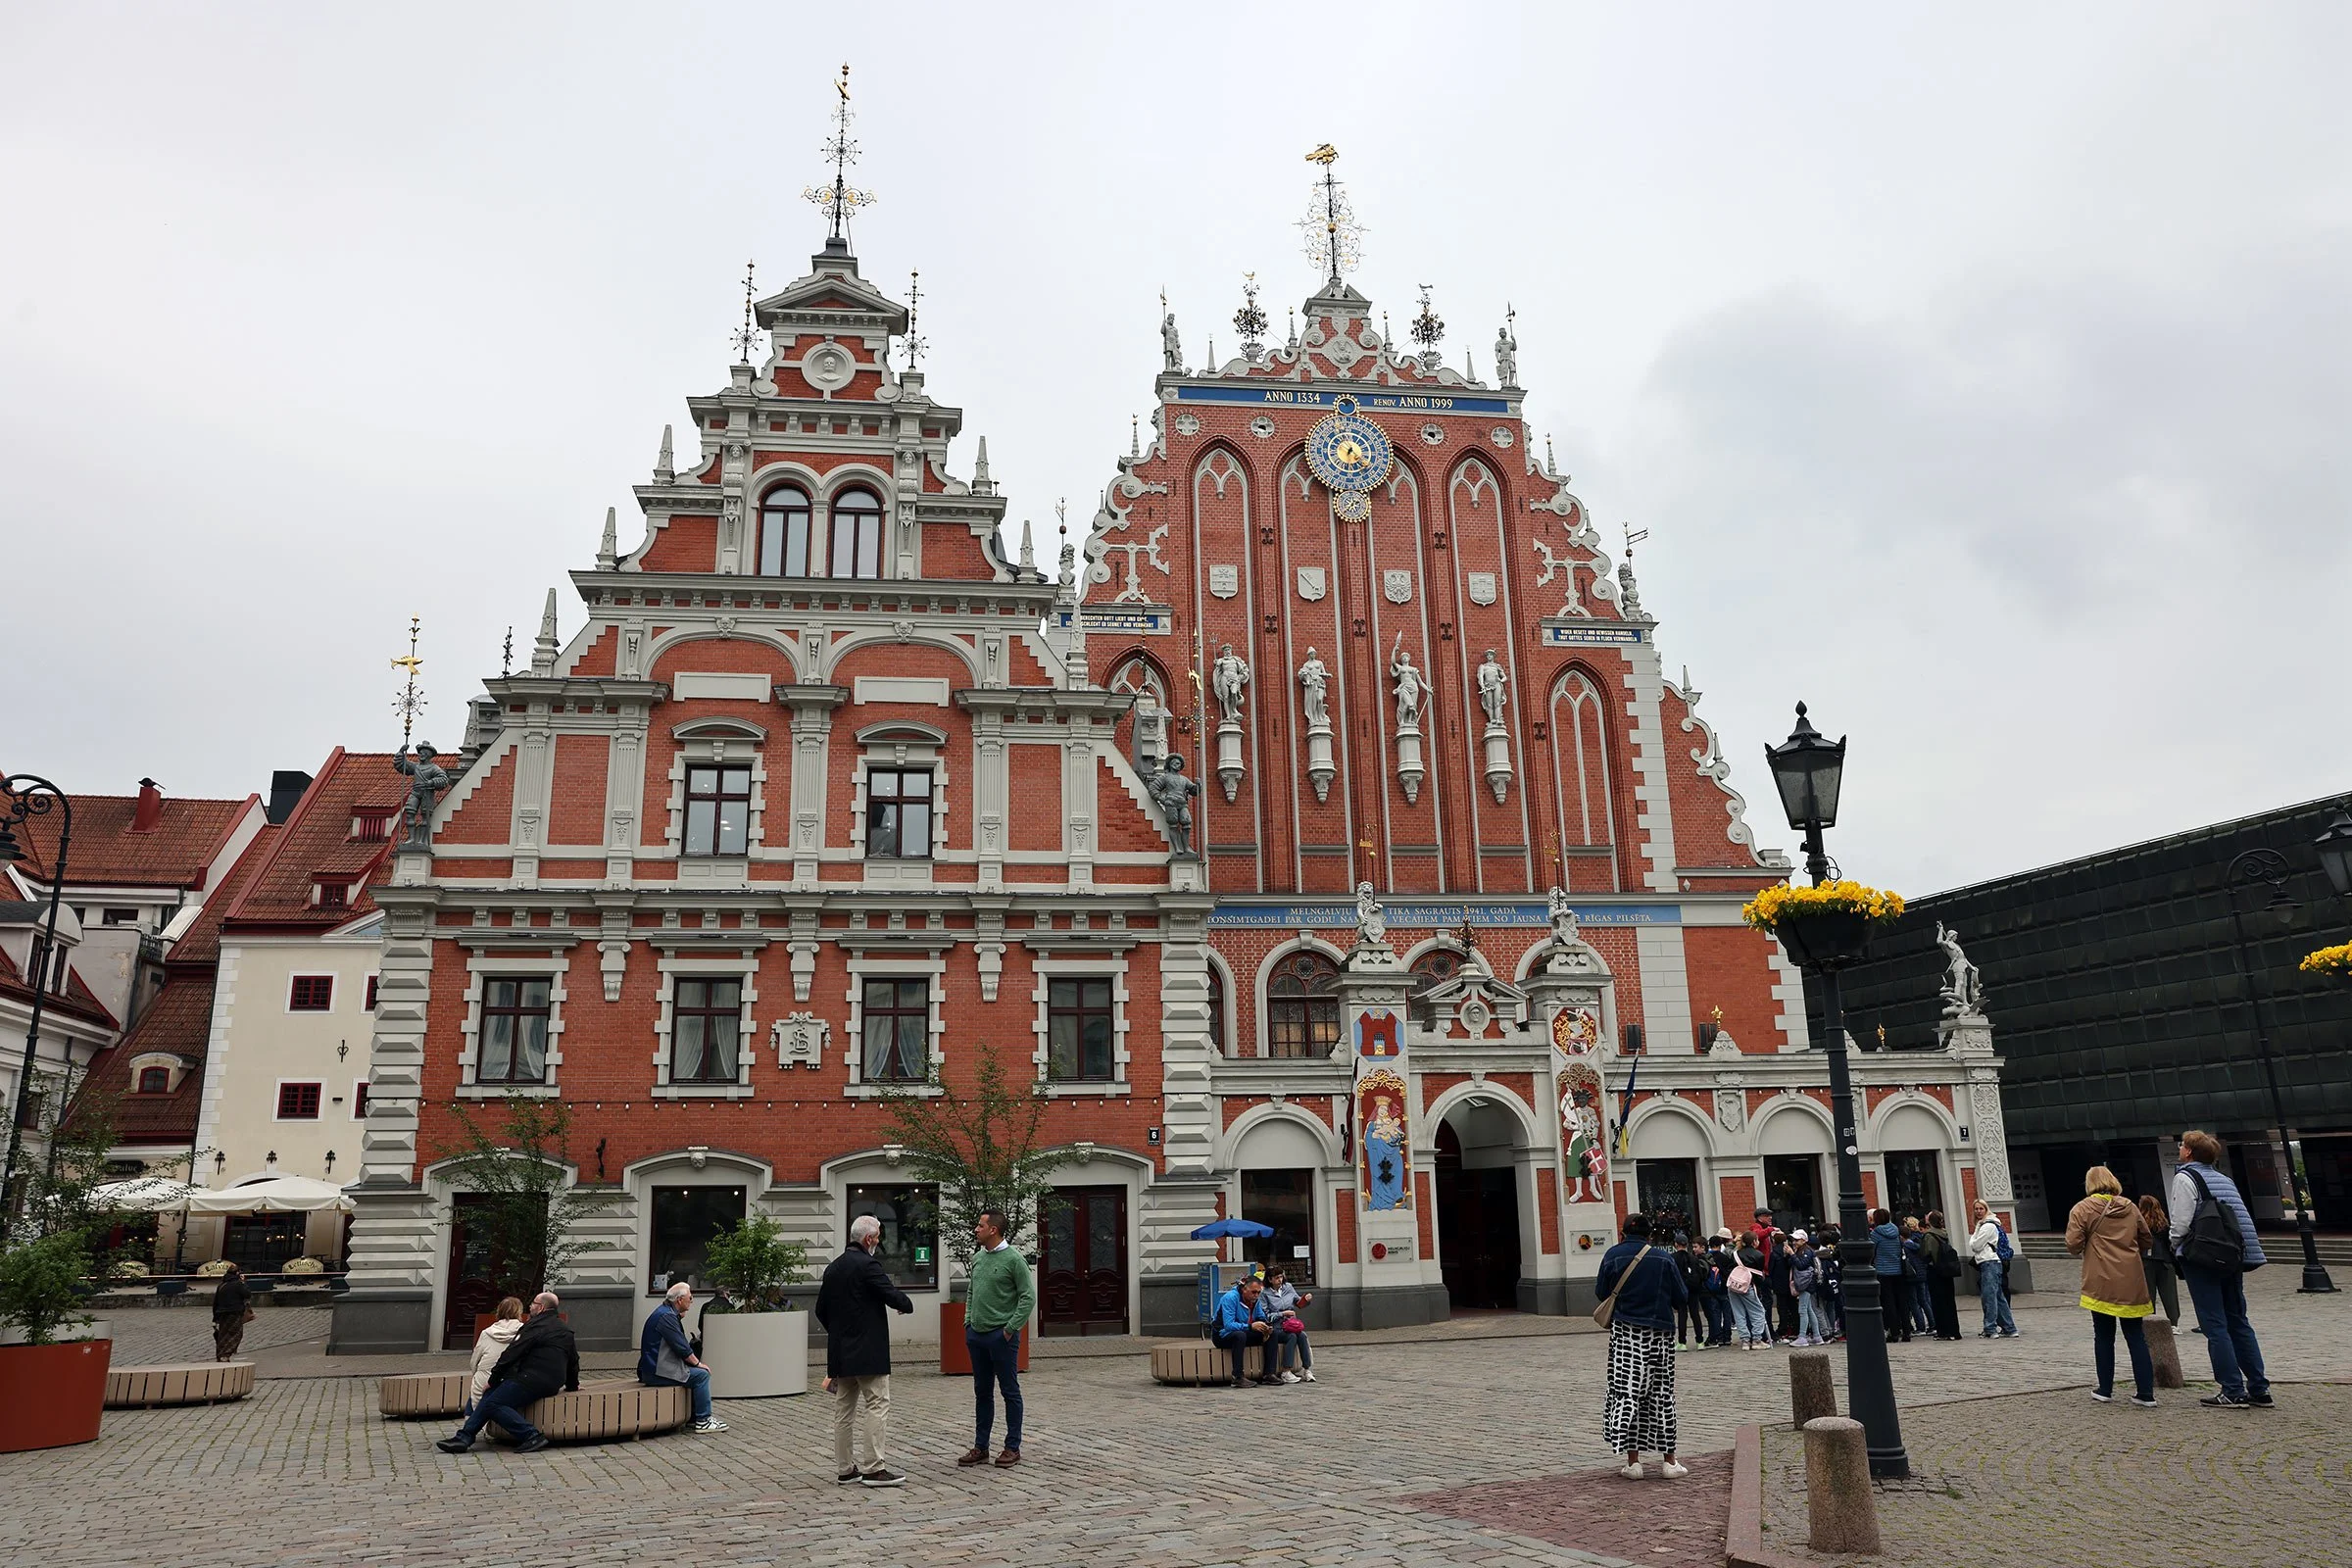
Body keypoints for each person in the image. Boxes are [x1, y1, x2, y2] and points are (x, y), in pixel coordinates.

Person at [2167, 1129, 2271, 1410]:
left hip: (2204, 1257)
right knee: (2238, 1319)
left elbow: (2181, 1222)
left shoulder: (2185, 1177)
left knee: (2214, 1323)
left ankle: (2232, 1389)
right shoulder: (2223, 1179)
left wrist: (2177, 1246)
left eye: (2181, 1145)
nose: (2179, 1149)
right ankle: (2259, 1388)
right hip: (2232, 1256)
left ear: (2189, 1152)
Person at [816, 1214, 917, 1485]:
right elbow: (890, 1293)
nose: (878, 1242)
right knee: (877, 1404)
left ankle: (845, 1469)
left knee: (844, 1411)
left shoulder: (833, 1268)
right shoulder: (868, 1264)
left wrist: (840, 1333)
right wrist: (905, 1304)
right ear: (869, 1239)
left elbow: (821, 1310)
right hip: (868, 1351)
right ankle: (874, 1468)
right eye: (878, 1237)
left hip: (840, 1351)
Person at [1594, 1213, 1690, 1479]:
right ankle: (1669, 1461)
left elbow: (1602, 1292)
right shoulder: (1663, 1257)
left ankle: (1633, 1462)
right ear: (1650, 1235)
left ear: (1622, 1232)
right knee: (1662, 1394)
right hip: (1660, 1333)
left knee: (1628, 1392)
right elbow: (1681, 1296)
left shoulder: (1613, 1255)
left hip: (1626, 1333)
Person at [436, 1291, 577, 1453]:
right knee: (489, 1395)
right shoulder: (565, 1329)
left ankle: (531, 1435)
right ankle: (464, 1437)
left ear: (541, 1307)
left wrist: (493, 1379)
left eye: (533, 1304)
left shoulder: (534, 1327)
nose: (530, 1306)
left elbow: (511, 1354)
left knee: (493, 1403)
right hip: (552, 1382)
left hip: (530, 1379)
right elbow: (573, 1360)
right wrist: (573, 1385)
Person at [2066, 1166, 2157, 1406]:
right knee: (2136, 1336)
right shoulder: (2130, 1206)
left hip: (2100, 1279)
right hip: (2131, 1279)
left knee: (2104, 1336)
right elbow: (2147, 1238)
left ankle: (2105, 1389)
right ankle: (2146, 1392)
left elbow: (2073, 1244)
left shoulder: (2082, 1208)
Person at [959, 1208, 1036, 1468]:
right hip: (977, 1335)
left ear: (993, 1230)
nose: (976, 1230)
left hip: (1001, 1336)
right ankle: (981, 1447)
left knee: (1009, 1391)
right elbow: (972, 1291)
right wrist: (968, 1321)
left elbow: (1028, 1296)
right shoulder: (979, 1257)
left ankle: (1012, 1447)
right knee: (982, 1392)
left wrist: (1010, 1328)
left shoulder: (1014, 1259)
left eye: (980, 1226)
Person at [638, 1280, 728, 1435]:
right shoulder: (667, 1317)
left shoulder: (665, 1313)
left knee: (695, 1373)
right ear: (679, 1300)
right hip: (658, 1371)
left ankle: (694, 1417)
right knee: (701, 1375)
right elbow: (682, 1348)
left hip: (652, 1368)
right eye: (690, 1298)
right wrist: (698, 1363)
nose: (692, 1301)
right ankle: (703, 1420)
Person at [1211, 1273, 1276, 1386]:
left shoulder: (1255, 1300)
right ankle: (1237, 1376)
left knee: (1273, 1334)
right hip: (1222, 1335)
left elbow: (1260, 1316)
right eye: (1254, 1292)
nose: (1256, 1295)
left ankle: (1269, 1374)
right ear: (1244, 1289)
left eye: (1258, 1292)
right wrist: (1250, 1326)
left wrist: (1265, 1326)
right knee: (1240, 1335)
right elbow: (1228, 1325)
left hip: (1244, 1331)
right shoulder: (1230, 1298)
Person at [466, 1296, 525, 1418]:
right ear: (519, 1312)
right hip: (511, 1380)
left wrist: (476, 1374)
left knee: (475, 1389)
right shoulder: (525, 1332)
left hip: (485, 1379)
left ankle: (469, 1423)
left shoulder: (487, 1332)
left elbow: (475, 1360)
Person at [1967, 1200, 2019, 1338]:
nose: (1978, 1211)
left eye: (1981, 1209)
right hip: (1990, 1263)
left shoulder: (1988, 1226)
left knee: (1989, 1297)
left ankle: (1990, 1328)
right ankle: (2009, 1327)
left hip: (1989, 1262)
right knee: (1998, 1296)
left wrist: (1974, 1237)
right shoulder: (1983, 1225)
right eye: (1976, 1209)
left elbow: (1975, 1245)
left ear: (1986, 1209)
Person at [1260, 1265, 1316, 1382]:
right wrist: (1282, 1314)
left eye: (1281, 1277)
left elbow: (1298, 1303)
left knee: (1302, 1335)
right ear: (1270, 1279)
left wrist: (1305, 1299)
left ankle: (1307, 1369)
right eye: (1276, 1278)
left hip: (1290, 1325)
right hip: (1276, 1328)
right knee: (1292, 1337)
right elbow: (1265, 1316)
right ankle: (1286, 1371)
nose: (1280, 1280)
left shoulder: (1288, 1287)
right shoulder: (1264, 1293)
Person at [1921, 1211, 1965, 1341]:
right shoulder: (1944, 1233)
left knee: (1938, 1302)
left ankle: (1943, 1331)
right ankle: (1954, 1330)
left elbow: (1926, 1254)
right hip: (1948, 1270)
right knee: (1949, 1301)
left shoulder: (1929, 1235)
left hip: (1935, 1271)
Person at [2137, 1194, 2180, 1326]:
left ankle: (2150, 1322)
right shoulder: (2164, 1223)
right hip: (2165, 1261)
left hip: (2146, 1260)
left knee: (2148, 1294)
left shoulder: (2139, 1223)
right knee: (2170, 1294)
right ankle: (2173, 1323)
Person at [1870, 1209, 1911, 1344]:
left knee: (1888, 1304)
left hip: (1883, 1271)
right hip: (1898, 1270)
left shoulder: (1875, 1234)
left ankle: (1893, 1332)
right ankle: (1906, 1331)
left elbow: (1871, 1251)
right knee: (1902, 1302)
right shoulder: (1896, 1231)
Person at [1725, 1232, 1771, 1348]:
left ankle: (1745, 1340)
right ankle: (1756, 1339)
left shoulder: (1735, 1254)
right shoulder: (1758, 1255)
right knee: (1758, 1312)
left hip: (1733, 1286)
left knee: (1738, 1313)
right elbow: (1758, 1274)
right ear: (1755, 1242)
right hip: (1747, 1286)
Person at [1790, 1233, 1833, 1348]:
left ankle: (1802, 1336)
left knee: (1802, 1309)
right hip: (1808, 1283)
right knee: (1809, 1309)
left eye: (1797, 1240)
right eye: (1793, 1240)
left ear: (1804, 1240)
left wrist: (1791, 1254)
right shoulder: (1803, 1251)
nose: (1794, 1242)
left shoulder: (1807, 1252)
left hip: (1807, 1284)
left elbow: (1801, 1265)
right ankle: (1817, 1336)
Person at [1672, 1238, 1711, 1351]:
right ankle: (1700, 1341)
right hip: (1693, 1289)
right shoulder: (1693, 1258)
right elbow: (1699, 1274)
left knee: (1682, 1314)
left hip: (1680, 1289)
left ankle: (1682, 1342)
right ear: (1687, 1245)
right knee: (1695, 1315)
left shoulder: (1673, 1258)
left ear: (1676, 1244)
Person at [210, 1261, 252, 1362]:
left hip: (221, 1313)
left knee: (222, 1335)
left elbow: (216, 1302)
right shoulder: (238, 1284)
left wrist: (215, 1318)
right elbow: (247, 1294)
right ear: (237, 1273)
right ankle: (226, 1354)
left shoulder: (221, 1285)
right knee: (235, 1334)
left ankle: (220, 1355)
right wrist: (243, 1283)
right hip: (235, 1312)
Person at [1898, 1218, 1934, 1335]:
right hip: (1921, 1274)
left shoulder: (1905, 1247)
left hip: (1911, 1276)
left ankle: (1920, 1327)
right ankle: (1932, 1324)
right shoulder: (1917, 1244)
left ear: (1901, 1237)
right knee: (1924, 1300)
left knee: (1913, 1302)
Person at [1765, 1228, 1799, 1342]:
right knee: (1793, 1306)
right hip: (1790, 1283)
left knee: (1782, 1307)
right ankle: (1796, 1328)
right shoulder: (1789, 1251)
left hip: (1779, 1284)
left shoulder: (1774, 1253)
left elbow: (1770, 1269)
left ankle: (1783, 1328)